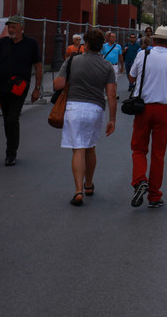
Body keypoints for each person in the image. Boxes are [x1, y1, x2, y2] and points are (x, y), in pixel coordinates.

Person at [53, 28, 117, 206]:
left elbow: (58, 84)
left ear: (85, 44)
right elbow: (111, 95)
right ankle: (89, 184)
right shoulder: (107, 66)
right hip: (95, 108)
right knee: (90, 146)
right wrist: (112, 119)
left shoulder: (72, 60)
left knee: (78, 148)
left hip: (74, 107)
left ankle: (78, 190)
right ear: (101, 46)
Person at [128, 25, 167, 208]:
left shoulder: (143, 55)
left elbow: (131, 77)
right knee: (159, 154)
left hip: (143, 107)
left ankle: (139, 180)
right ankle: (154, 195)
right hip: (163, 109)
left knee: (138, 148)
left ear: (153, 40)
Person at [0, 15, 43, 166]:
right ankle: (10, 148)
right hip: (3, 86)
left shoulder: (31, 44)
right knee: (7, 119)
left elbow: (38, 66)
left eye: (13, 27)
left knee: (12, 118)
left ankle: (11, 153)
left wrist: (37, 88)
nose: (10, 30)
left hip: (20, 87)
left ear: (22, 28)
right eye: (9, 27)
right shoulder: (3, 43)